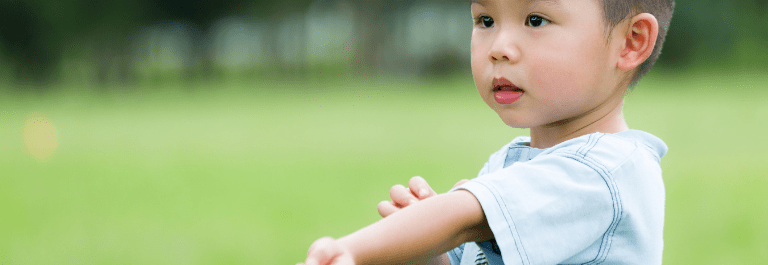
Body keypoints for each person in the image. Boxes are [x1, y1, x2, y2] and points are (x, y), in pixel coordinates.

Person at [300, 0, 674, 263]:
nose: (499, 48)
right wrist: (431, 253)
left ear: (631, 41)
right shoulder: (513, 161)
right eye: (486, 21)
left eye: (536, 20)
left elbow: (466, 217)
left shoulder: (607, 172)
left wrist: (350, 251)